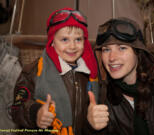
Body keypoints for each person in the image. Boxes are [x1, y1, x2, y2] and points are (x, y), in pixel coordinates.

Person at [11, 7, 99, 135]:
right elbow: (16, 109)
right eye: (64, 39)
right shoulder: (33, 71)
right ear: (52, 42)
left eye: (78, 39)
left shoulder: (90, 74)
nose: (73, 46)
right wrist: (36, 113)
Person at [87, 17, 154, 135]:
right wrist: (91, 126)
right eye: (106, 50)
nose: (112, 58)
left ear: (138, 52)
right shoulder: (103, 95)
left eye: (122, 48)